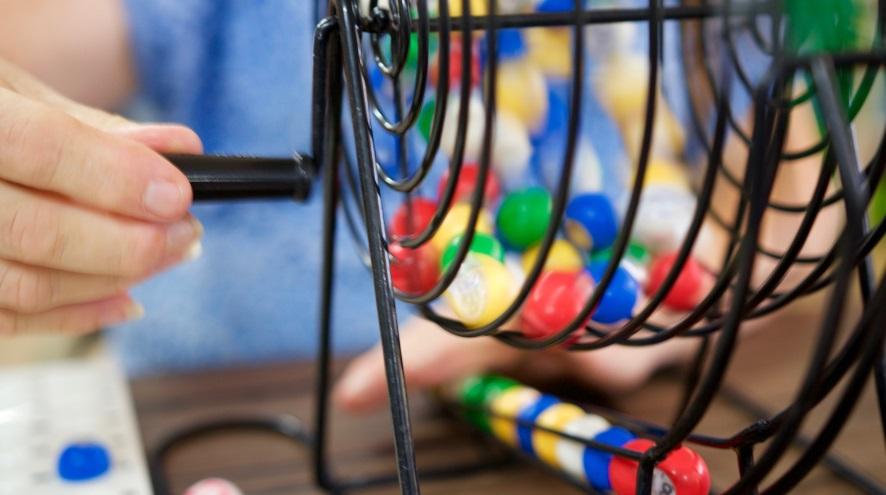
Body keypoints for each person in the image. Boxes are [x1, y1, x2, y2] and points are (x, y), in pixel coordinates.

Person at [0, 0, 841, 415]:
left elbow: (800, 211)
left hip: (599, 415)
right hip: (228, 416)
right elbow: (30, 48)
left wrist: (683, 312)